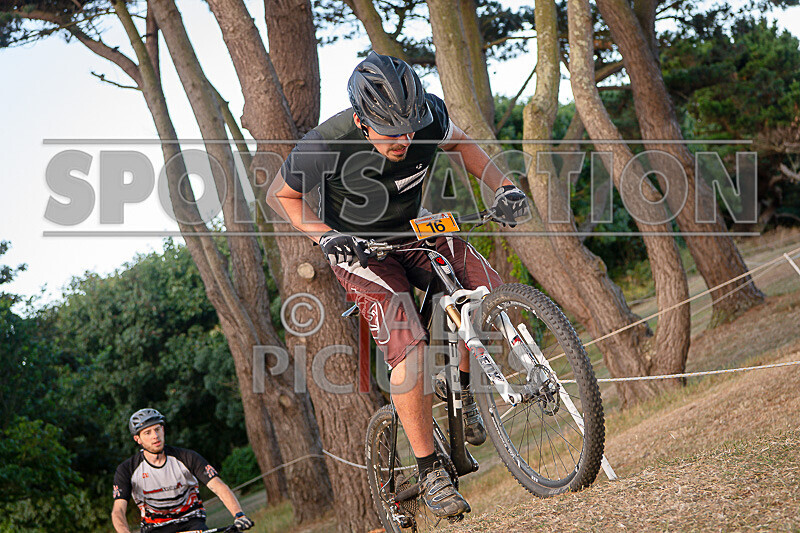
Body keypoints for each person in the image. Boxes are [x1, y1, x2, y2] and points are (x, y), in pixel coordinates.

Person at [267, 51, 529, 518]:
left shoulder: (429, 115)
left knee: (487, 293)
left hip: (414, 229)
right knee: (411, 345)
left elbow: (462, 144)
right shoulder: (327, 142)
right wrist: (325, 237)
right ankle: (430, 471)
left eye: (410, 127)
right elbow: (281, 196)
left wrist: (504, 185)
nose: (405, 139)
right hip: (361, 251)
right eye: (392, 131)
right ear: (363, 122)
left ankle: (466, 394)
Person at [111, 408, 255, 533]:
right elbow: (118, 510)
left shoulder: (187, 457)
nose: (155, 436)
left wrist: (239, 515)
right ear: (138, 439)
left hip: (191, 522)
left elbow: (219, 486)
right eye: (147, 432)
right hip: (155, 528)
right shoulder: (127, 469)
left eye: (157, 429)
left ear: (163, 430)